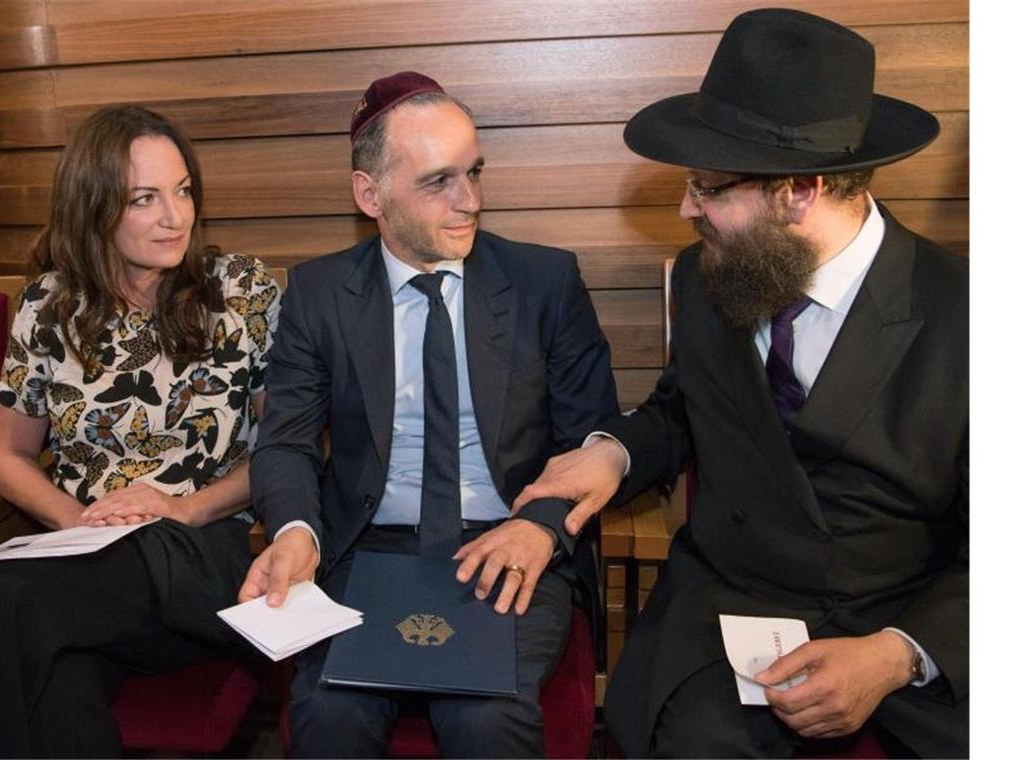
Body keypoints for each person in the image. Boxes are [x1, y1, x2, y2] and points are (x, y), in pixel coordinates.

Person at [513, 9, 968, 758]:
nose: (687, 208)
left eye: (708, 188)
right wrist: (616, 454)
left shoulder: (967, 316)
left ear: (800, 189)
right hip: (732, 602)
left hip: (904, 617)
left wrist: (896, 653)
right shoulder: (705, 275)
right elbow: (682, 410)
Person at [238, 71, 619, 757]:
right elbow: (286, 442)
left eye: (474, 172)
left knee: (486, 720)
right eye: (439, 181)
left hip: (510, 538)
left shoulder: (544, 283)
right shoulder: (320, 294)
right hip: (366, 549)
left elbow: (592, 436)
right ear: (369, 194)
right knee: (329, 711)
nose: (469, 200)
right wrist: (296, 529)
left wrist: (539, 526)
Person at [0, 105, 280, 758]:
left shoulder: (241, 292)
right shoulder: (50, 307)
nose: (175, 216)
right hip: (79, 574)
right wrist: (76, 520)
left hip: (203, 553)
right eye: (145, 199)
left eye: (183, 191)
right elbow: (6, 454)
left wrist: (181, 507)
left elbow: (287, 451)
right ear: (95, 207)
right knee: (50, 679)